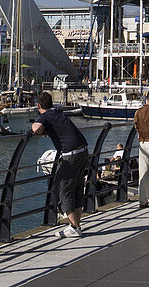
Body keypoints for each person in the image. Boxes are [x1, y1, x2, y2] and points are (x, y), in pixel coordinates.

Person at [32, 90, 89, 239]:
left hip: (71, 155)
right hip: (83, 150)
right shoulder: (57, 111)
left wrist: (38, 131)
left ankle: (74, 227)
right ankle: (75, 225)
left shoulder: (46, 115)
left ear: (39, 105)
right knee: (76, 187)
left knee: (61, 187)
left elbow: (36, 128)